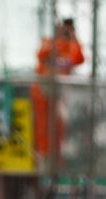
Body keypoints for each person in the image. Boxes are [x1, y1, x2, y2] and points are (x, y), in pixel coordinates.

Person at [32, 18, 85, 161]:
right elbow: (41, 54)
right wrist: (57, 36)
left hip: (60, 93)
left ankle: (56, 158)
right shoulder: (49, 42)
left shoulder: (71, 46)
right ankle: (42, 155)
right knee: (43, 126)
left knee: (59, 127)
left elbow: (79, 58)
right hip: (43, 90)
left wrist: (72, 37)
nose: (65, 31)